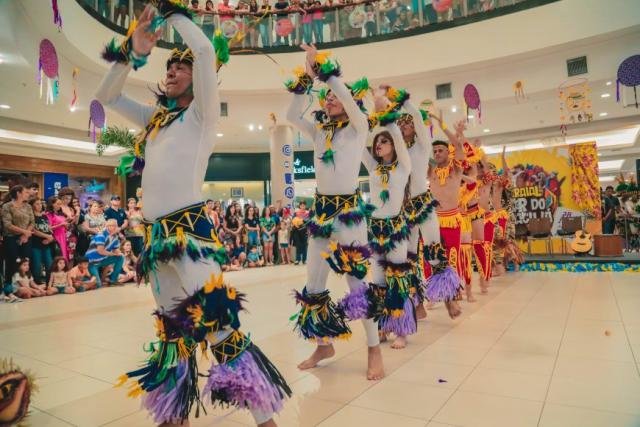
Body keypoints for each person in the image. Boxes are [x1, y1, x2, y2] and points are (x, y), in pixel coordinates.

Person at [95, 4, 290, 425]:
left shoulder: (200, 117)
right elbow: (106, 96)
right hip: (155, 241)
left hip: (191, 236)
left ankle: (265, 420)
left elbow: (203, 51)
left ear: (197, 80)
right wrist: (133, 49)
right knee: (172, 332)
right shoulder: (153, 121)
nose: (172, 70)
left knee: (218, 325)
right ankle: (174, 415)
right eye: (168, 65)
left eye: (179, 67)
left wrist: (174, 16)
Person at [286, 44, 384, 379]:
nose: (328, 98)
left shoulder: (359, 126)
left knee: (356, 284)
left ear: (350, 101)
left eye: (334, 95)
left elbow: (341, 91)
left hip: (349, 214)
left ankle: (374, 348)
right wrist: (306, 78)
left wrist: (326, 71)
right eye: (325, 95)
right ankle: (323, 343)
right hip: (320, 215)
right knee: (313, 284)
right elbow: (291, 116)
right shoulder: (319, 130)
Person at [382, 88, 439, 321]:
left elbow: (416, 116)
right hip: (404, 210)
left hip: (423, 204)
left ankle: (450, 299)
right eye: (401, 124)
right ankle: (417, 304)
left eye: (408, 123)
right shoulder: (398, 152)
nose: (404, 126)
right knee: (409, 259)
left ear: (416, 127)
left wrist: (404, 102)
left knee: (435, 252)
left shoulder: (423, 146)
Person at [362, 110, 414, 349]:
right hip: (374, 229)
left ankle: (401, 329)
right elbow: (360, 142)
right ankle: (383, 325)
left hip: (395, 227)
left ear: (394, 145)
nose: (379, 145)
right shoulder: (373, 167)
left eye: (384, 141)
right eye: (377, 142)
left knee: (397, 279)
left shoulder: (403, 167)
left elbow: (400, 142)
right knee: (379, 281)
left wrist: (388, 119)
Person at [425, 116, 467, 319]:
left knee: (452, 259)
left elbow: (458, 147)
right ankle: (434, 293)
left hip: (452, 218)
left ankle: (454, 295)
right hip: (433, 219)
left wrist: (443, 126)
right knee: (430, 258)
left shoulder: (456, 168)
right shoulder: (430, 169)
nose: (437, 153)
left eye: (440, 150)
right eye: (434, 151)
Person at [2, 185, 34, 285]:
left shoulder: (28, 206)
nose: (28, 194)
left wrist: (25, 235)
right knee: (12, 262)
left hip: (26, 238)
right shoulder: (7, 206)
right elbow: (7, 224)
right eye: (26, 192)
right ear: (18, 193)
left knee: (26, 261)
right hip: (11, 237)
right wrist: (24, 232)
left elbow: (32, 222)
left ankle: (25, 285)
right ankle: (9, 288)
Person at [85, 219, 123, 288]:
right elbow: (101, 251)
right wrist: (114, 254)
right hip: (92, 262)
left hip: (103, 260)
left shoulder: (115, 237)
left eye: (115, 225)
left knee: (120, 257)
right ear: (107, 226)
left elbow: (115, 249)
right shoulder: (101, 234)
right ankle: (85, 281)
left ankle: (113, 280)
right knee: (98, 285)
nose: (113, 227)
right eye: (111, 225)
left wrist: (118, 252)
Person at [30, 198, 55, 285]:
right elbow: (33, 230)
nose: (40, 205)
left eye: (40, 204)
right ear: (32, 205)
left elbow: (49, 229)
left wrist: (49, 238)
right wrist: (47, 236)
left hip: (46, 244)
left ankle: (49, 284)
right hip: (36, 244)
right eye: (37, 204)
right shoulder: (32, 216)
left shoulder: (44, 216)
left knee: (49, 265)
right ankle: (37, 284)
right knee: (37, 266)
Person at [45, 196, 71, 262]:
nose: (60, 206)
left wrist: (66, 225)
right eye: (58, 204)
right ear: (52, 204)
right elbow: (49, 227)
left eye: (60, 204)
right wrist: (61, 225)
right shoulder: (49, 214)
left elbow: (64, 225)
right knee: (58, 256)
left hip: (64, 236)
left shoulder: (60, 213)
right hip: (56, 237)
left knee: (65, 256)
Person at [57, 187, 80, 264]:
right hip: (60, 233)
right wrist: (68, 219)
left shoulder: (71, 208)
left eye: (69, 199)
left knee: (71, 255)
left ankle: (69, 274)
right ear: (61, 197)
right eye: (65, 198)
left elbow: (75, 222)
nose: (67, 200)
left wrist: (78, 212)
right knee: (61, 255)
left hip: (71, 234)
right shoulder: (58, 208)